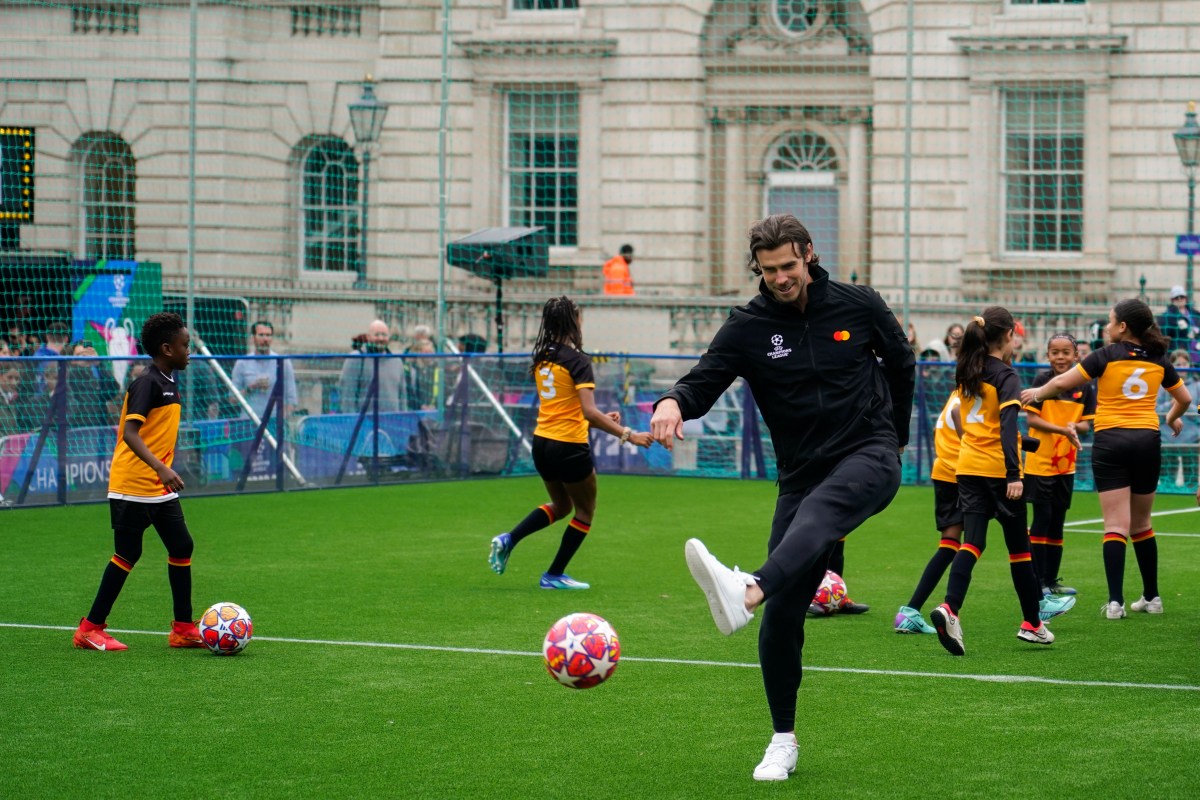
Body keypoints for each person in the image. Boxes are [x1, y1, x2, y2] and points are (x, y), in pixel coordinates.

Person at [649, 214, 914, 781]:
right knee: (780, 623)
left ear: (809, 255)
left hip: (869, 449)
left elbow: (903, 362)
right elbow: (705, 378)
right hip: (801, 473)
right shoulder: (747, 326)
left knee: (817, 519)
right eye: (769, 270)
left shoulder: (859, 303)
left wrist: (898, 434)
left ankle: (750, 588)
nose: (781, 279)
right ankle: (782, 739)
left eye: (789, 266)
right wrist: (671, 403)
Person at [1021, 299, 1192, 619]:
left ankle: (1116, 603)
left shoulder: (1105, 355)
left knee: (1115, 525)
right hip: (1146, 440)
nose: (1107, 327)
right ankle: (1152, 597)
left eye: (1111, 322)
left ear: (1123, 327)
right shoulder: (1159, 358)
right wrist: (1170, 417)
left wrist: (1037, 394)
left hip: (1112, 441)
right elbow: (1184, 399)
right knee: (1142, 524)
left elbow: (1063, 382)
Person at [927, 308, 1073, 657]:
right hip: (997, 471)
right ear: (1008, 335)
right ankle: (1032, 625)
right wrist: (1014, 474)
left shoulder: (967, 369)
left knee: (972, 543)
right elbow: (1006, 427)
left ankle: (949, 608)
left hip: (967, 467)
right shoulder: (1006, 375)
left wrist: (1017, 445)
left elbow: (968, 422)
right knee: (1020, 550)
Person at [488, 296, 652, 590]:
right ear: (573, 321)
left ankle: (509, 539)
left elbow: (568, 407)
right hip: (568, 446)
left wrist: (604, 417)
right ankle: (553, 576)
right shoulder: (578, 360)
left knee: (561, 505)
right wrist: (629, 434)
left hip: (542, 443)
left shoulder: (542, 356)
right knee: (585, 511)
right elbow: (588, 412)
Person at [72, 312, 205, 651]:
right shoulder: (148, 382)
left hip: (156, 488)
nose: (189, 351)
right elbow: (131, 433)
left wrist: (161, 473)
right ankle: (90, 628)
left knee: (181, 546)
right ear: (166, 348)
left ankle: (182, 628)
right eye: (184, 345)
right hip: (133, 484)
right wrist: (162, 467)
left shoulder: (169, 380)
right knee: (127, 553)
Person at [1023, 332, 1095, 596]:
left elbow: (1087, 424)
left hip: (1066, 465)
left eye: (1066, 352)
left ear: (1076, 355)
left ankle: (1052, 580)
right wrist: (1063, 431)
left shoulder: (1085, 386)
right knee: (1042, 520)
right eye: (1055, 352)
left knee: (1057, 522)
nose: (1061, 357)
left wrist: (1075, 426)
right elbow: (1032, 421)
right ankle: (1038, 581)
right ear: (1048, 355)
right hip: (1040, 463)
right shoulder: (1042, 382)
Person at [895, 391, 962, 634]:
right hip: (965, 474)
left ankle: (911, 611)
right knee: (1013, 532)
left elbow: (938, 431)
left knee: (950, 544)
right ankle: (1038, 605)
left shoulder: (956, 394)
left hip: (945, 471)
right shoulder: (974, 396)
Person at [339, 319, 410, 413]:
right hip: (364, 424)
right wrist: (352, 423)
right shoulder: (356, 359)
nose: (381, 338)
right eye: (377, 335)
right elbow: (347, 396)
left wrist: (402, 418)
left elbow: (402, 397)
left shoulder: (397, 361)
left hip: (392, 423)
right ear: (368, 337)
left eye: (384, 335)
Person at [231, 321, 298, 421]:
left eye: (268, 335)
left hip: (274, 422)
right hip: (248, 422)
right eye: (261, 335)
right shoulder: (242, 363)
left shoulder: (283, 362)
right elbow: (232, 400)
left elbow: (292, 399)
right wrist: (251, 387)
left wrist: (281, 418)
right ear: (253, 337)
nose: (265, 339)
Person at [1157, 350, 1200, 489]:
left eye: (1184, 363)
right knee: (1166, 481)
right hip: (1167, 439)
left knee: (1191, 481)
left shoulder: (1197, 386)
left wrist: (1186, 404)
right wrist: (1170, 404)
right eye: (1178, 364)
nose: (1182, 366)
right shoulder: (1163, 386)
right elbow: (1155, 410)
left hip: (1191, 439)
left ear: (1189, 364)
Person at [1158, 285, 1199, 356]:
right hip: (1179, 354)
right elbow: (1164, 336)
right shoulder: (1166, 317)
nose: (1179, 299)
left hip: (1196, 351)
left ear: (1186, 298)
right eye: (1176, 297)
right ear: (1172, 300)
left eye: (1182, 296)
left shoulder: (1195, 314)